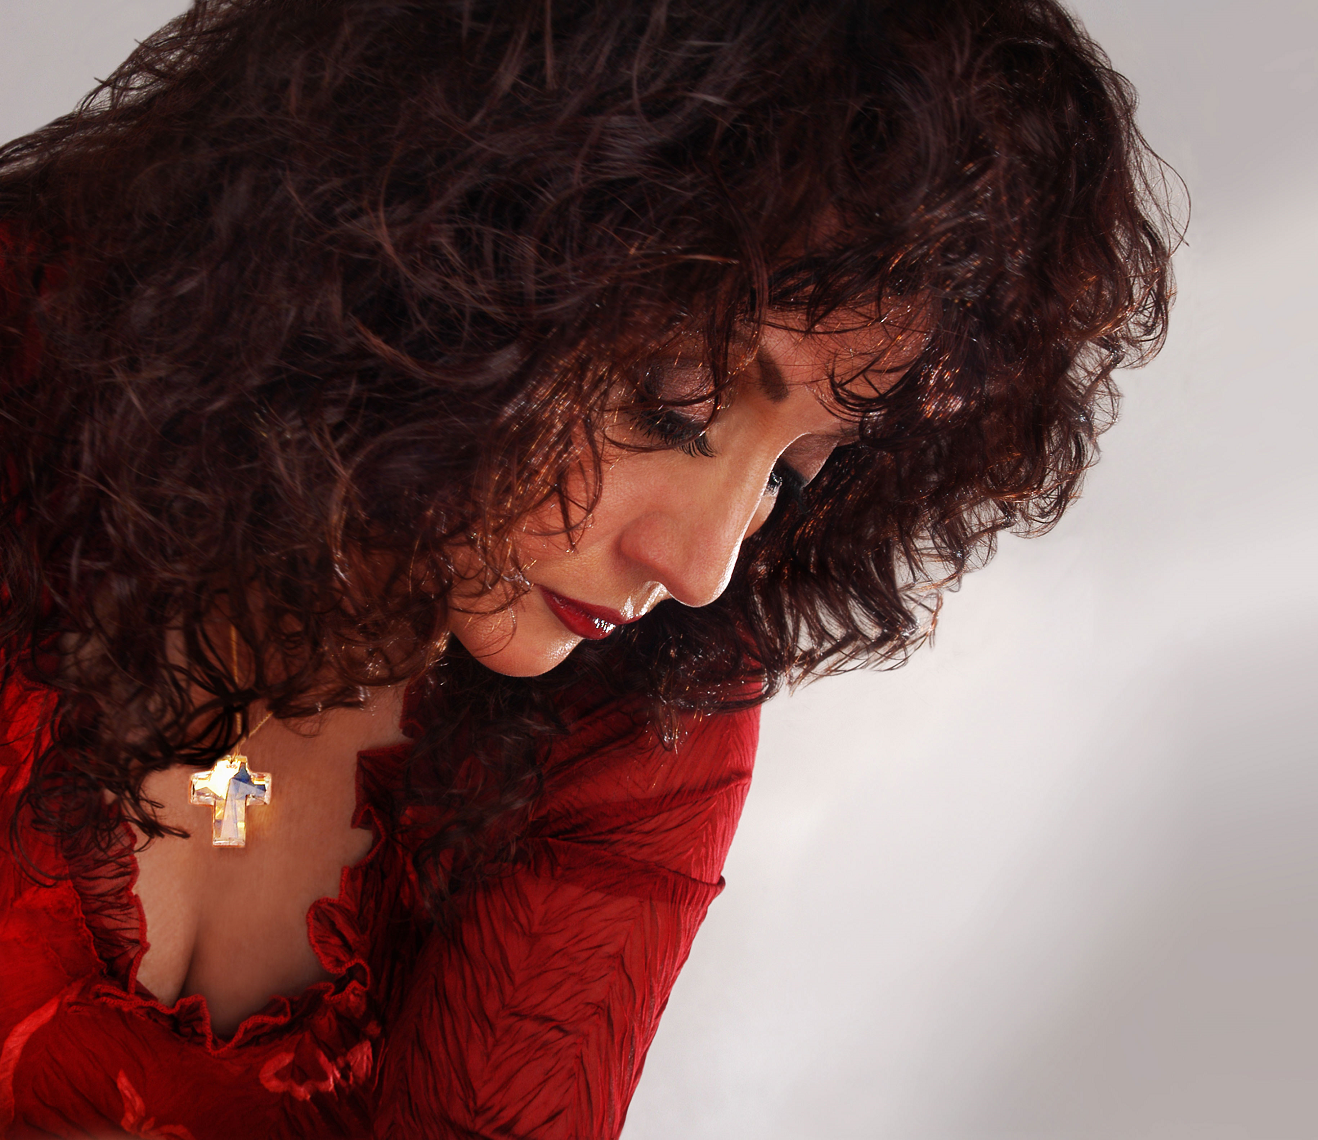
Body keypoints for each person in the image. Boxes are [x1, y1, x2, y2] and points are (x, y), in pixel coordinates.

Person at [0, 0, 1174, 1135]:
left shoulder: (650, 695)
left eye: (792, 471)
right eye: (674, 407)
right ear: (449, 238)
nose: (705, 566)